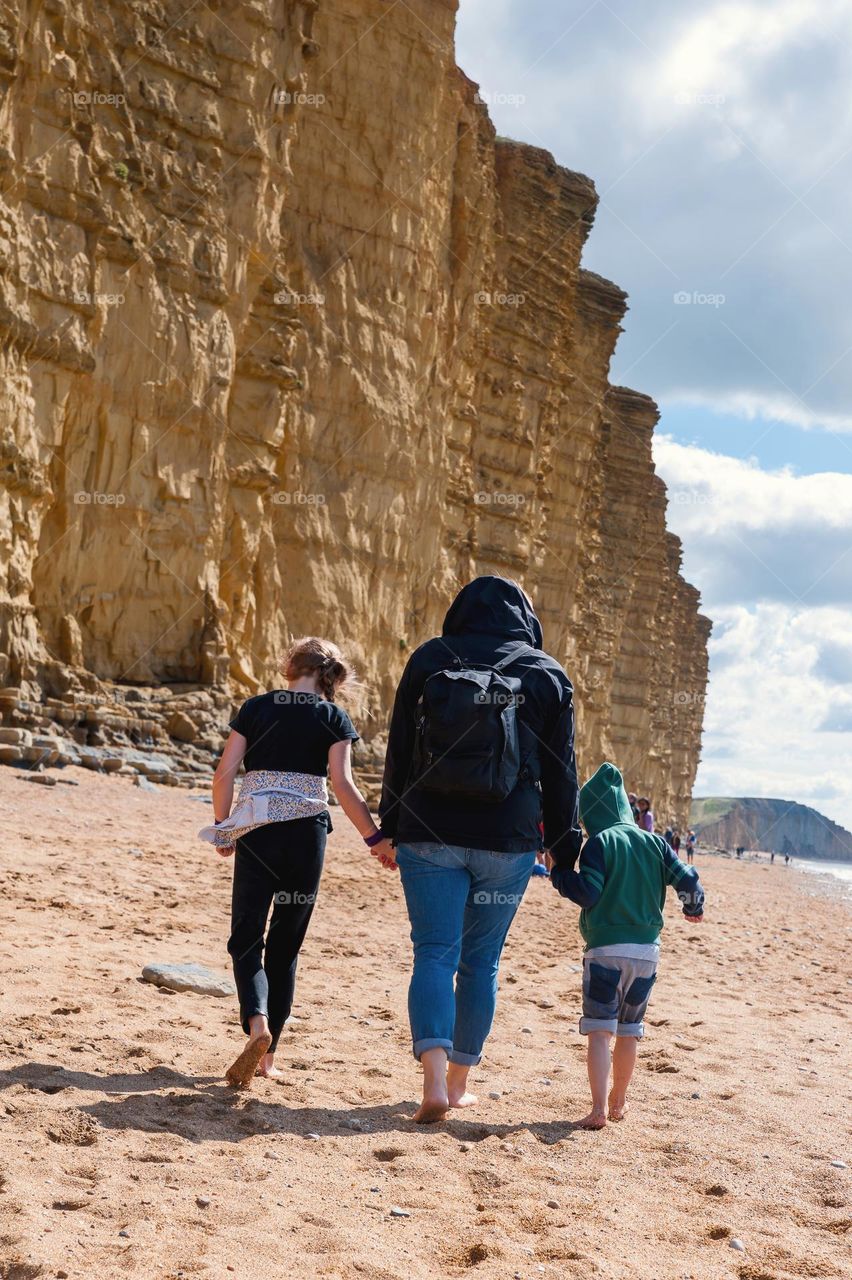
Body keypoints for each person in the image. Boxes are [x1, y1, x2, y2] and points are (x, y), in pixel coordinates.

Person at [379, 576, 581, 1123]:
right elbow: (563, 774)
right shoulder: (545, 673)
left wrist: (389, 824)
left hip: (429, 832)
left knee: (433, 953)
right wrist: (565, 845)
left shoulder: (430, 659)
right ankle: (461, 1081)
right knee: (480, 964)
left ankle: (433, 1080)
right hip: (508, 842)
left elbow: (400, 747)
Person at [204, 637, 396, 1089]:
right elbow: (344, 786)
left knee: (246, 937)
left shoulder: (255, 707)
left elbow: (223, 773)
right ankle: (269, 1058)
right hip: (307, 835)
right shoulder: (333, 716)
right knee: (286, 945)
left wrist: (223, 825)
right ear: (330, 677)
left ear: (289, 666)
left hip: (256, 832)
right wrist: (375, 838)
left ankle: (256, 1025)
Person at [548, 762, 705, 1130]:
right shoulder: (655, 843)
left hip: (604, 950)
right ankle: (620, 1103)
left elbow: (588, 892)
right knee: (630, 1030)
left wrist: (558, 875)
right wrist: (693, 907)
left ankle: (599, 1108)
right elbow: (689, 882)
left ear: (591, 814)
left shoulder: (599, 843)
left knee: (601, 1030)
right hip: (647, 953)